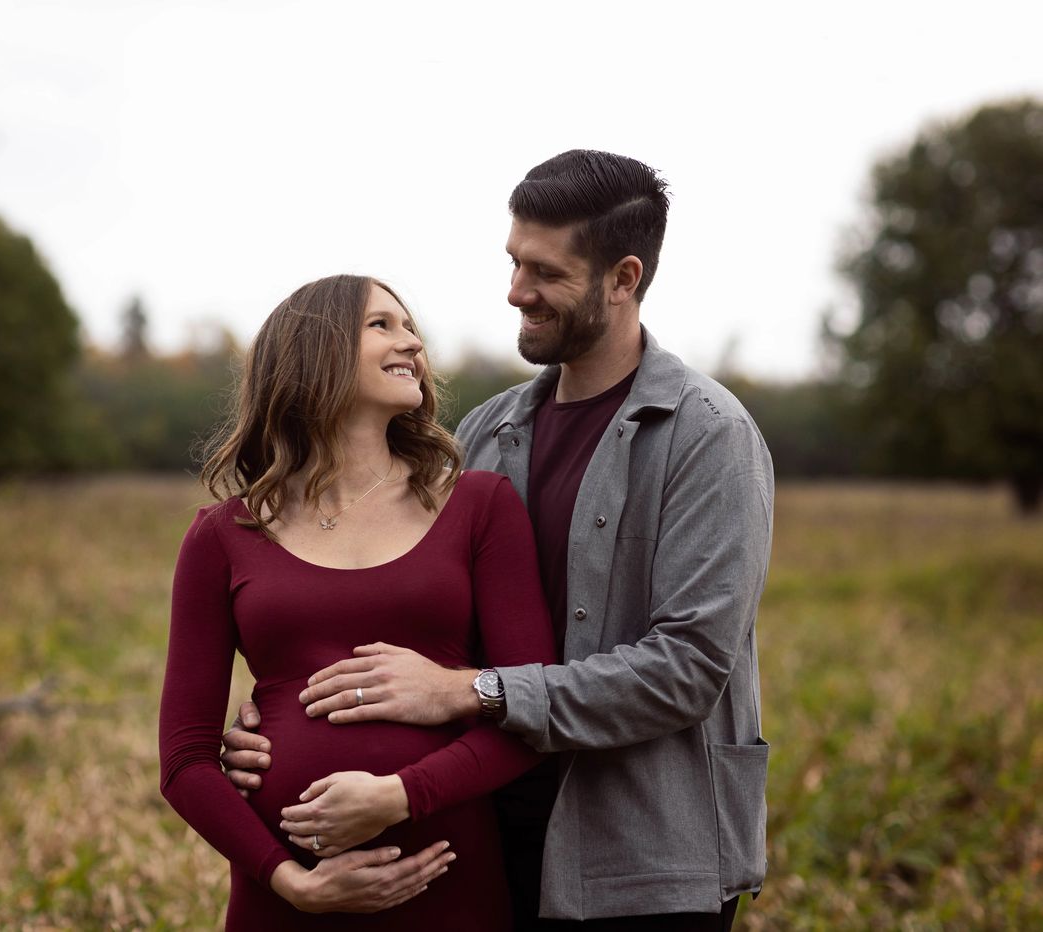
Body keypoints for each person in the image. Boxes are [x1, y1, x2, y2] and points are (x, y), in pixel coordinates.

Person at [223, 151, 774, 930]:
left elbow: (685, 671)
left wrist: (472, 691)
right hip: (492, 836)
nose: (515, 291)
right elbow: (411, 619)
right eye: (514, 262)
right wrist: (277, 715)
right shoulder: (482, 435)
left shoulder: (707, 437)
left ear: (622, 279)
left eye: (544, 273)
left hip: (646, 862)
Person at [158, 274, 556, 930]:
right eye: (383, 325)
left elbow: (530, 713)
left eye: (412, 329)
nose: (412, 342)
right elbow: (184, 761)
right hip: (284, 895)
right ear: (314, 348)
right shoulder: (222, 535)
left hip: (443, 878)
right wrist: (289, 881)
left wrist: (400, 796)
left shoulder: (479, 505)